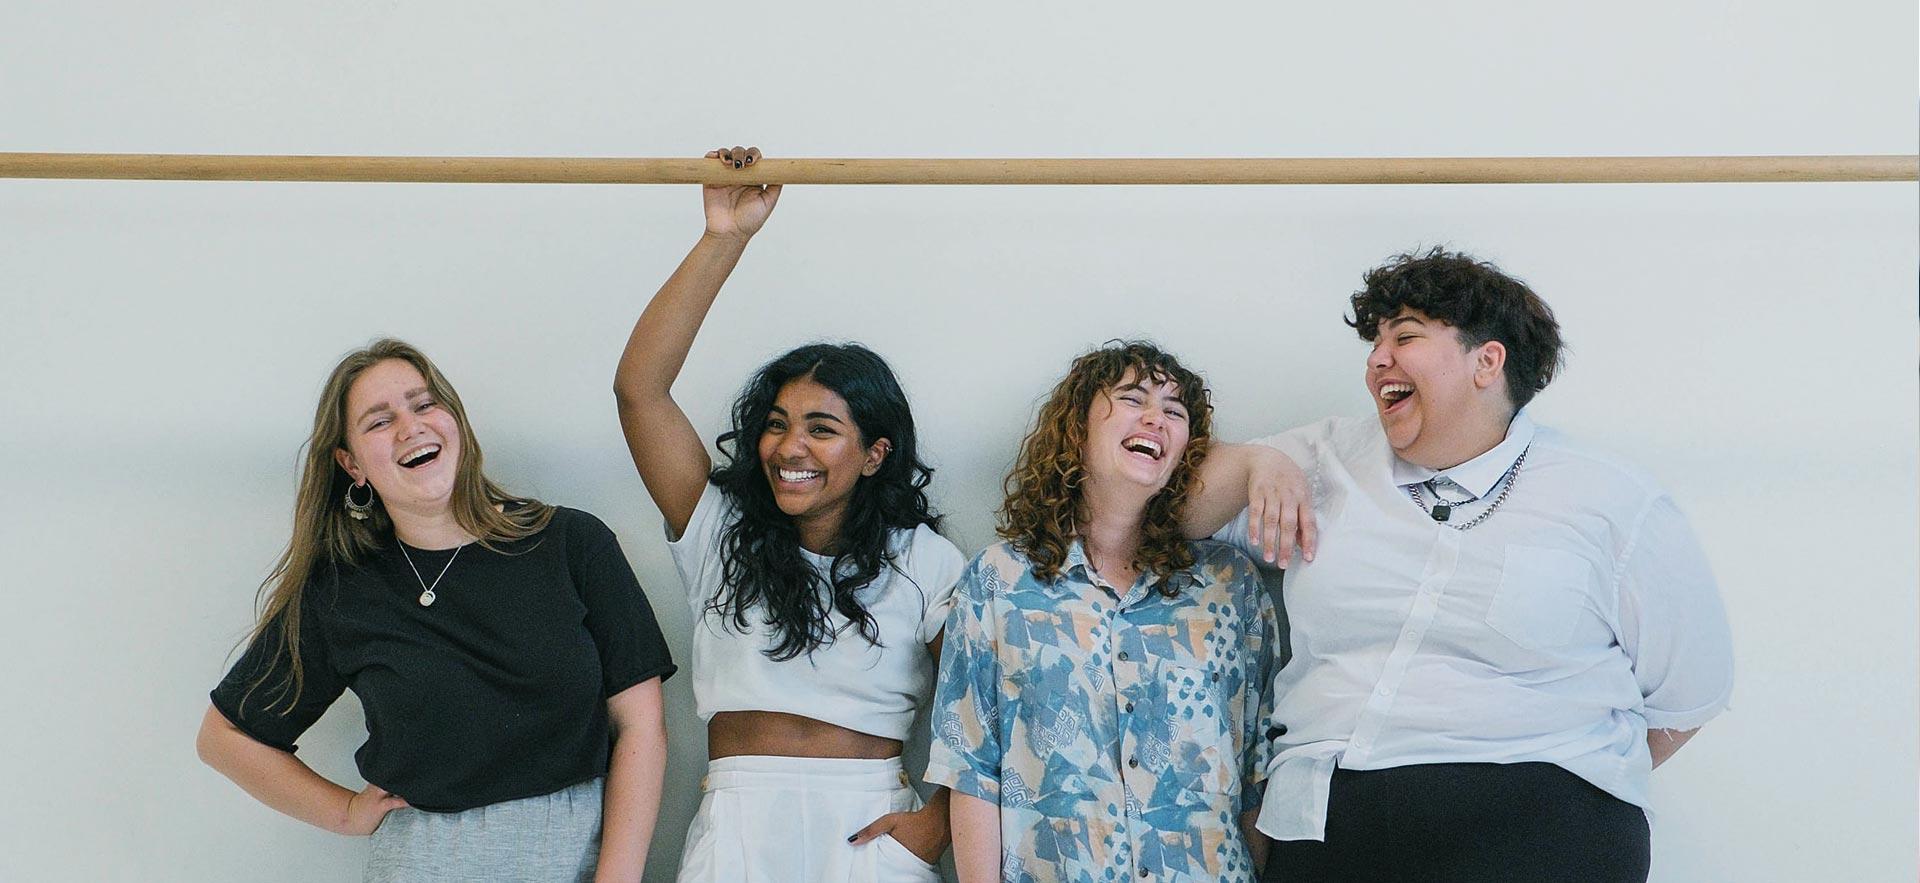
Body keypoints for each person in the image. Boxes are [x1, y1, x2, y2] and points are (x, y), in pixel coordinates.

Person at [1186, 249, 1736, 883]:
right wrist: (1256, 463)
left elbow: (1690, 694)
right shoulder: (1321, 457)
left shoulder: (1612, 500)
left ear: (1487, 361)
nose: (1376, 360)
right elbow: (1167, 508)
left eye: (1407, 336)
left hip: (1544, 823)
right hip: (1331, 817)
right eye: (1376, 342)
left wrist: (1572, 778)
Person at [197, 339, 676, 883]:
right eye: (379, 422)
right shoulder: (341, 591)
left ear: (456, 422)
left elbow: (641, 726)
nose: (410, 428)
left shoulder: (571, 543)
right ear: (351, 464)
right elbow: (224, 738)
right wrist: (346, 813)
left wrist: (617, 877)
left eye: (424, 405)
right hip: (422, 861)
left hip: (573, 852)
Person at [615, 147, 963, 882]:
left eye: (821, 427)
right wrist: (724, 237)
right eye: (777, 423)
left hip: (872, 827)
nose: (789, 445)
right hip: (740, 820)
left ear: (874, 453)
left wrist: (937, 821)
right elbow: (639, 390)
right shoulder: (718, 531)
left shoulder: (926, 559)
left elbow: (988, 703)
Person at [928, 341, 1281, 883]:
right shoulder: (999, 580)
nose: (1155, 418)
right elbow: (972, 767)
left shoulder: (1229, 585)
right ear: (1077, 428)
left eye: (1174, 411)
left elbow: (1257, 769)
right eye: (1133, 398)